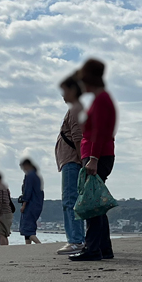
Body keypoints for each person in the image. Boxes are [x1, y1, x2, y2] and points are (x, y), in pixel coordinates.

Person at [69, 59, 115, 261]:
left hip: (97, 155)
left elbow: (100, 131)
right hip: (99, 154)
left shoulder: (101, 99)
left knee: (92, 204)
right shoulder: (101, 98)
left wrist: (93, 158)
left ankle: (93, 248)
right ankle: (103, 248)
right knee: (96, 204)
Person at [54, 77, 86, 254]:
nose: (63, 95)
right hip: (72, 161)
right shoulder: (76, 109)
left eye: (65, 91)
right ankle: (78, 239)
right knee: (73, 201)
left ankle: (75, 240)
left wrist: (82, 161)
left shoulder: (75, 109)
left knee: (70, 201)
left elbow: (78, 137)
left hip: (72, 162)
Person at [19, 159, 44, 245]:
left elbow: (27, 191)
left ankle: (39, 244)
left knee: (27, 228)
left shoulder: (29, 176)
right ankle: (28, 247)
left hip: (30, 205)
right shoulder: (36, 176)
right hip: (37, 204)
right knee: (29, 227)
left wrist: (24, 204)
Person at [0, 172, 15, 245]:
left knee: (1, 233)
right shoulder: (6, 188)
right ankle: (6, 248)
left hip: (2, 213)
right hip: (9, 212)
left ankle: (3, 248)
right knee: (5, 234)